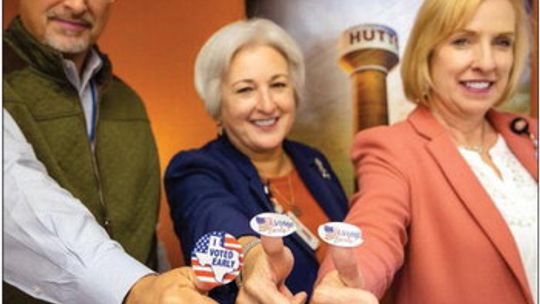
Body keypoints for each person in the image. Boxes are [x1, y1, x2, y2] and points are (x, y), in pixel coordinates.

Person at [312, 0, 537, 303]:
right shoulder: (392, 150)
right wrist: (347, 282)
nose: (487, 62)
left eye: (502, 42)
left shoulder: (529, 132)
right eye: (462, 41)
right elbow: (374, 228)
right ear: (427, 50)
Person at [3, 0, 215, 303]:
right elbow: (11, 194)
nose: (77, 5)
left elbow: (148, 235)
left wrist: (163, 287)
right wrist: (137, 288)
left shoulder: (129, 103)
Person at [165, 18, 349, 303]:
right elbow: (213, 218)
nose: (266, 104)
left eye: (278, 85)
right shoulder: (195, 169)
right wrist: (253, 257)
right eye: (245, 89)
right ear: (217, 102)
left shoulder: (314, 162)